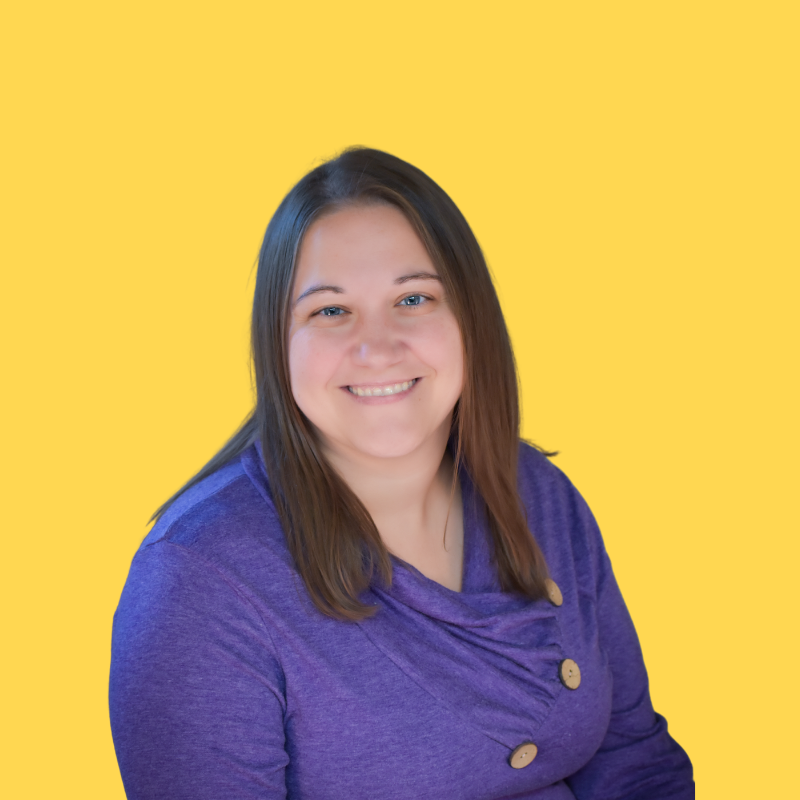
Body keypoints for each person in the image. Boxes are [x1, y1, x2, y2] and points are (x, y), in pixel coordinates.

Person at [109, 147, 694, 799]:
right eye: (330, 310)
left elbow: (635, 762)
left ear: (470, 318)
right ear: (278, 343)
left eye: (413, 298)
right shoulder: (199, 581)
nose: (378, 346)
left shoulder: (540, 496)